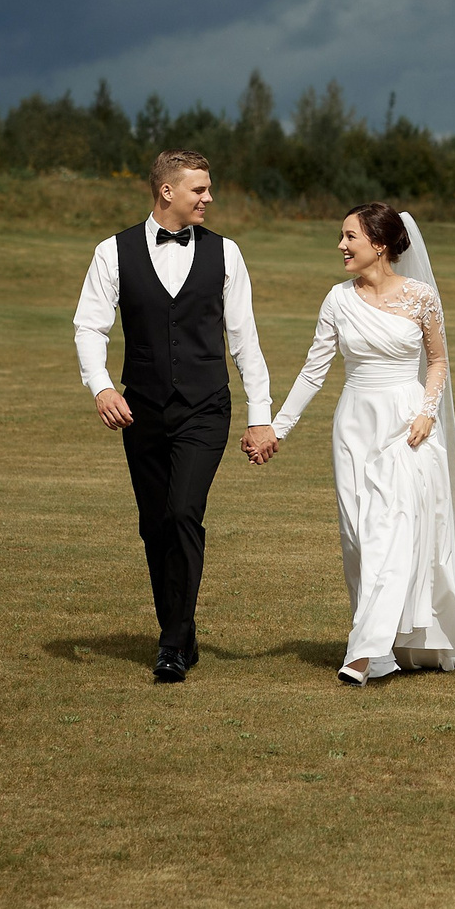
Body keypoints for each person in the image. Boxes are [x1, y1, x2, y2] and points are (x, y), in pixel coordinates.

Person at [272, 202, 455, 683]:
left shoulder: (420, 296)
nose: (340, 245)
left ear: (379, 244)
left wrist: (427, 412)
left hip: (407, 423)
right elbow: (314, 371)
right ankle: (382, 645)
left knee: (393, 528)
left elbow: (438, 361)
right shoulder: (337, 300)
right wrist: (277, 428)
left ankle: (363, 655)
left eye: (350, 236)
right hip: (355, 425)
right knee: (359, 537)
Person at [73, 149, 279, 683]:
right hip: (139, 412)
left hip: (206, 409)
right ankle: (180, 633)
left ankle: (170, 644)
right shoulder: (111, 253)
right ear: (168, 191)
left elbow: (245, 343)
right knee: (154, 525)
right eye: (200, 190)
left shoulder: (227, 255)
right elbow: (89, 328)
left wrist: (262, 417)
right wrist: (100, 388)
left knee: (184, 512)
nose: (209, 198)